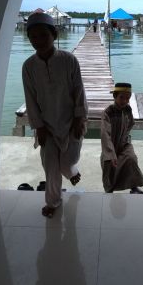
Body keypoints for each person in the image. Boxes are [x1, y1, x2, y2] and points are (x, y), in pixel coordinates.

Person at [22, 12, 87, 217]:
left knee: (67, 163)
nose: (38, 41)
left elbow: (79, 91)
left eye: (43, 35)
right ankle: (53, 202)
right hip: (46, 126)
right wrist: (39, 127)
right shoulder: (29, 67)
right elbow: (30, 99)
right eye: (33, 37)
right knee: (50, 167)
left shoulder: (69, 61)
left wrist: (79, 119)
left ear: (55, 35)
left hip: (71, 123)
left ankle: (72, 173)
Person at [100, 82, 143, 194]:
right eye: (121, 97)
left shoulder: (127, 109)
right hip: (110, 147)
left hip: (124, 144)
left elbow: (131, 123)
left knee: (131, 159)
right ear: (115, 96)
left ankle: (133, 187)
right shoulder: (108, 112)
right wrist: (111, 153)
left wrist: (125, 138)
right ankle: (109, 190)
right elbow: (105, 135)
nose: (124, 101)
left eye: (127, 98)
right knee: (109, 165)